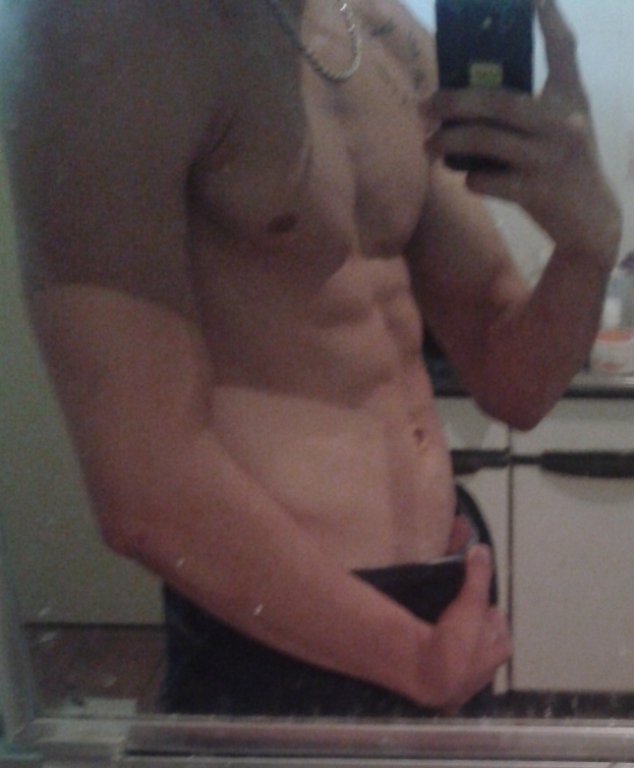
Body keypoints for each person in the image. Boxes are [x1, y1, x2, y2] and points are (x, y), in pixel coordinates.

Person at [0, 0, 620, 717]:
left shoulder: (386, 36)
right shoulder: (107, 33)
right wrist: (413, 659)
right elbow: (143, 483)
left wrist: (589, 245)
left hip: (446, 605)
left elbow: (516, 382)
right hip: (280, 636)